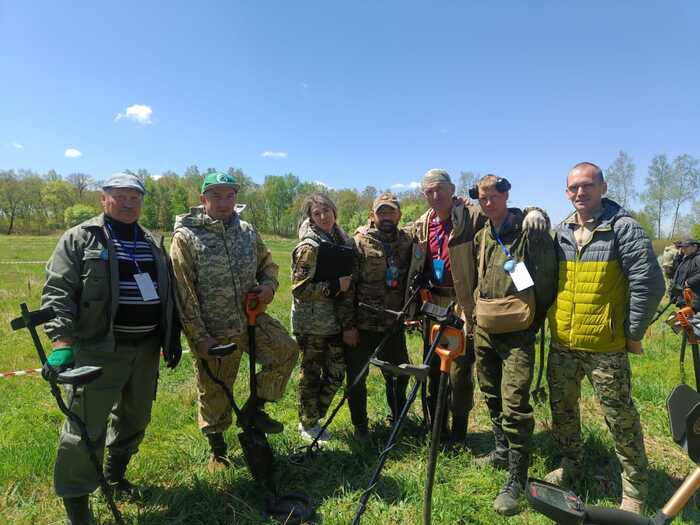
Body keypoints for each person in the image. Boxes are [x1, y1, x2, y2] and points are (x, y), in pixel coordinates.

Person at [41, 172, 181, 525]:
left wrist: (171, 336)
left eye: (135, 198)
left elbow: (168, 295)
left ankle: (115, 475)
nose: (129, 203)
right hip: (100, 348)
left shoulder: (152, 242)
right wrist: (61, 343)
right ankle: (77, 502)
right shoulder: (80, 238)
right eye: (121, 197)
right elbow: (57, 292)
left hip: (146, 349)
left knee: (136, 418)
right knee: (84, 428)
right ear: (104, 199)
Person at [545, 162, 665, 514]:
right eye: (573, 188)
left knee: (620, 418)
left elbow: (650, 283)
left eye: (587, 186)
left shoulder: (624, 229)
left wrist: (632, 332)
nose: (580, 193)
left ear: (603, 187)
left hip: (605, 347)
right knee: (563, 410)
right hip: (563, 343)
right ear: (567, 193)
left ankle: (635, 490)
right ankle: (572, 465)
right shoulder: (561, 230)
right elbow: (544, 275)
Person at [405, 169, 548, 445]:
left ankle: (459, 433)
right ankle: (436, 430)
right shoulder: (422, 224)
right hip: (432, 305)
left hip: (462, 305)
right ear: (424, 195)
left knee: (458, 371)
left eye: (440, 190)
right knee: (432, 368)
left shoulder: (471, 215)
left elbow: (504, 212)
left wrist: (535, 211)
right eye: (429, 192)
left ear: (452, 189)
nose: (436, 196)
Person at [170, 171, 298, 472]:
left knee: (286, 350)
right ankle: (218, 450)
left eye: (229, 195)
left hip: (251, 320)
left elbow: (268, 265)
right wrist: (200, 338)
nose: (224, 201)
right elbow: (183, 293)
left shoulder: (247, 231)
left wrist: (268, 288)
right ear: (203, 199)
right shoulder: (187, 237)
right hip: (214, 330)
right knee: (214, 391)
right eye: (216, 195)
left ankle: (254, 410)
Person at [470, 175, 557, 515]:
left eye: (493, 196)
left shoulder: (526, 231)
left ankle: (517, 478)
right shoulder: (482, 236)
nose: (487, 203)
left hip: (518, 331)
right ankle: (501, 450)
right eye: (482, 198)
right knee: (490, 392)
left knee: (515, 404)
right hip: (485, 327)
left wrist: (534, 320)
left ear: (506, 196)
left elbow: (546, 278)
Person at [291, 192, 356, 442]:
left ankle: (314, 416)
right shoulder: (310, 246)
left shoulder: (339, 239)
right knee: (311, 374)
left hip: (333, 321)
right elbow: (299, 288)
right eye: (316, 214)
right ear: (311, 217)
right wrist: (334, 286)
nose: (323, 217)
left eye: (326, 211)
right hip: (312, 323)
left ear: (334, 211)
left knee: (337, 371)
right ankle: (308, 424)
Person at [348, 192, 413, 439]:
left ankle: (397, 419)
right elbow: (348, 289)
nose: (386, 216)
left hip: (393, 322)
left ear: (399, 215)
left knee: (398, 376)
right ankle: (360, 426)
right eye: (381, 212)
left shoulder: (407, 240)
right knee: (357, 378)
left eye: (391, 212)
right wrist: (348, 326)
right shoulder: (359, 241)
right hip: (363, 322)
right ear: (372, 215)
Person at [669, 239, 700, 311]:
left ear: (695, 247)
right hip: (684, 297)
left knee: (689, 320)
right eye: (682, 247)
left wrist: (689, 282)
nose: (683, 249)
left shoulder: (698, 258)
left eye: (686, 247)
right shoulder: (687, 258)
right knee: (684, 320)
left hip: (694, 298)